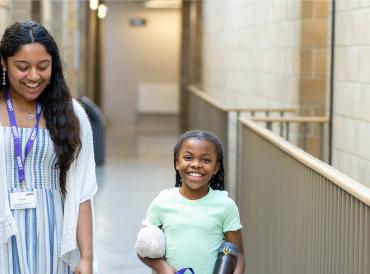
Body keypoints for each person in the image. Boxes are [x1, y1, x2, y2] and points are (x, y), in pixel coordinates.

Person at [0, 21, 98, 274]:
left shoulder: (71, 113)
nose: (34, 76)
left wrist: (86, 257)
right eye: (22, 67)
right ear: (3, 63)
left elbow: (82, 191)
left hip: (52, 232)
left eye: (43, 67)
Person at [138, 130, 246, 274]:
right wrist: (162, 267)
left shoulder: (226, 206)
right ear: (177, 163)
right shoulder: (162, 202)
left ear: (216, 167)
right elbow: (143, 249)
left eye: (206, 160)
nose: (196, 164)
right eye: (188, 157)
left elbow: (238, 255)